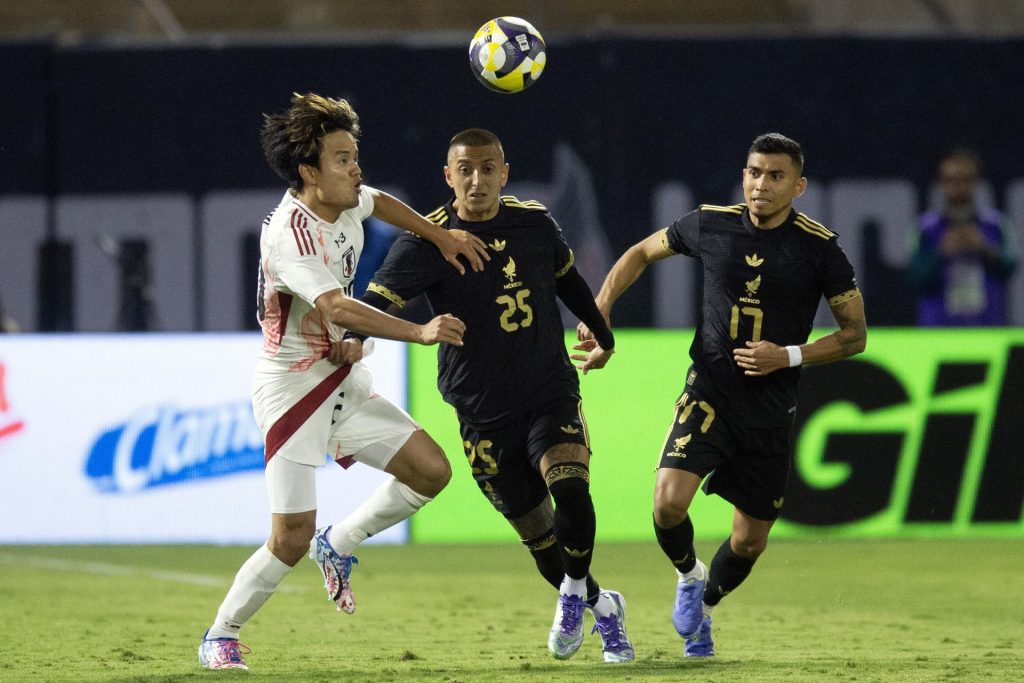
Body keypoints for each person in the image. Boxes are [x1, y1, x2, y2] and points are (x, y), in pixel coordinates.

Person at [198, 93, 490, 671]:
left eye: (355, 155)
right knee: (289, 538)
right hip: (292, 388)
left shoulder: (350, 201)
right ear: (309, 172)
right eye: (342, 159)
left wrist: (441, 236)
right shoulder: (290, 235)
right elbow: (340, 306)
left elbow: (381, 202)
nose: (356, 169)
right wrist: (420, 331)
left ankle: (342, 542)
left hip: (340, 374)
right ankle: (220, 634)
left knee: (431, 472)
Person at [346, 128, 635, 663]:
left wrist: (603, 331)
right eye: (466, 170)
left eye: (487, 169)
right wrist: (354, 340)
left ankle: (573, 598)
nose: (476, 180)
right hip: (481, 413)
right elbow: (378, 298)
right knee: (542, 541)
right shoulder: (428, 239)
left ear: (504, 173)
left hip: (548, 390)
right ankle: (602, 604)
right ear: (448, 176)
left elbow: (568, 280)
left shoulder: (534, 222)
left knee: (571, 490)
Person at [580, 133, 867, 657]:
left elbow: (855, 335)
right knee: (668, 505)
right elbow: (640, 253)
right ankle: (690, 573)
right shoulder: (710, 224)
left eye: (776, 176)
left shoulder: (819, 248)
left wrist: (789, 355)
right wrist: (601, 311)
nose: (761, 185)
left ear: (798, 186)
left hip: (770, 408)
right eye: (754, 172)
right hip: (709, 388)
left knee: (750, 542)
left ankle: (706, 605)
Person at [908, 148, 1017, 326]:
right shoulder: (925, 228)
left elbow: (1010, 266)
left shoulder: (996, 225)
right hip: (938, 329)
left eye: (966, 180)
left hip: (986, 327)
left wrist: (984, 249)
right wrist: (942, 251)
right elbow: (915, 277)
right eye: (952, 180)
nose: (959, 187)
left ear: (976, 183)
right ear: (942, 183)